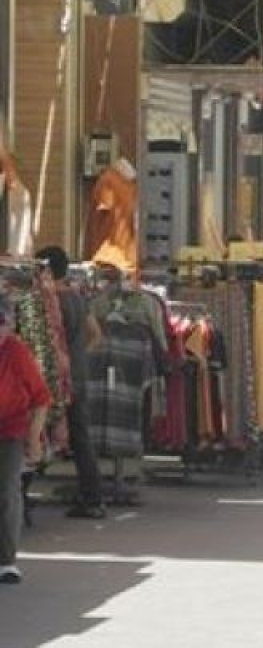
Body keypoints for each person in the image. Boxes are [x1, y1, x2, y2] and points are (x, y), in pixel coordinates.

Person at [34, 246, 106, 519]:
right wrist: (76, 356)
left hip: (54, 378)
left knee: (38, 430)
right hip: (78, 375)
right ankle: (93, 497)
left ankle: (24, 490)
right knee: (80, 438)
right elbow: (96, 334)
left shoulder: (50, 301)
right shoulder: (77, 297)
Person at [0, 293, 52, 584]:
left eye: (2, 324)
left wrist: (34, 438)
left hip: (11, 429)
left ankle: (6, 561)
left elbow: (41, 397)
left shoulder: (16, 351)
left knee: (7, 491)